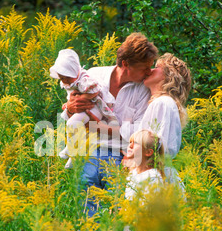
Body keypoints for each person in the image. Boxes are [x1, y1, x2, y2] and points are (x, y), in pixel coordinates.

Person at [65, 33, 159, 217]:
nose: (149, 72)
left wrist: (98, 127)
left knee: (113, 215)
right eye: (145, 68)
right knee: (86, 215)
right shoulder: (93, 75)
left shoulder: (143, 90)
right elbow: (71, 113)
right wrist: (69, 108)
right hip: (87, 152)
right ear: (126, 64)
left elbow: (137, 130)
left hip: (119, 156)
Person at [50, 49, 117, 168]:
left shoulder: (85, 79)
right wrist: (68, 104)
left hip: (96, 106)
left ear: (74, 72)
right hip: (89, 107)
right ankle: (73, 154)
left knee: (72, 124)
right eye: (61, 78)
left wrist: (80, 98)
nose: (64, 81)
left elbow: (94, 91)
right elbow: (71, 96)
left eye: (66, 77)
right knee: (78, 129)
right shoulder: (71, 81)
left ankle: (71, 150)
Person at [139, 52, 191, 190]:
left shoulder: (163, 103)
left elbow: (157, 147)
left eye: (156, 67)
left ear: (169, 76)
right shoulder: (160, 103)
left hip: (155, 177)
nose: (149, 70)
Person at [120, 130, 165, 231]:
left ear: (148, 152)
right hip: (129, 228)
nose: (130, 146)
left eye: (135, 143)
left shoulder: (153, 176)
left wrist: (127, 211)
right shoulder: (132, 174)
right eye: (130, 142)